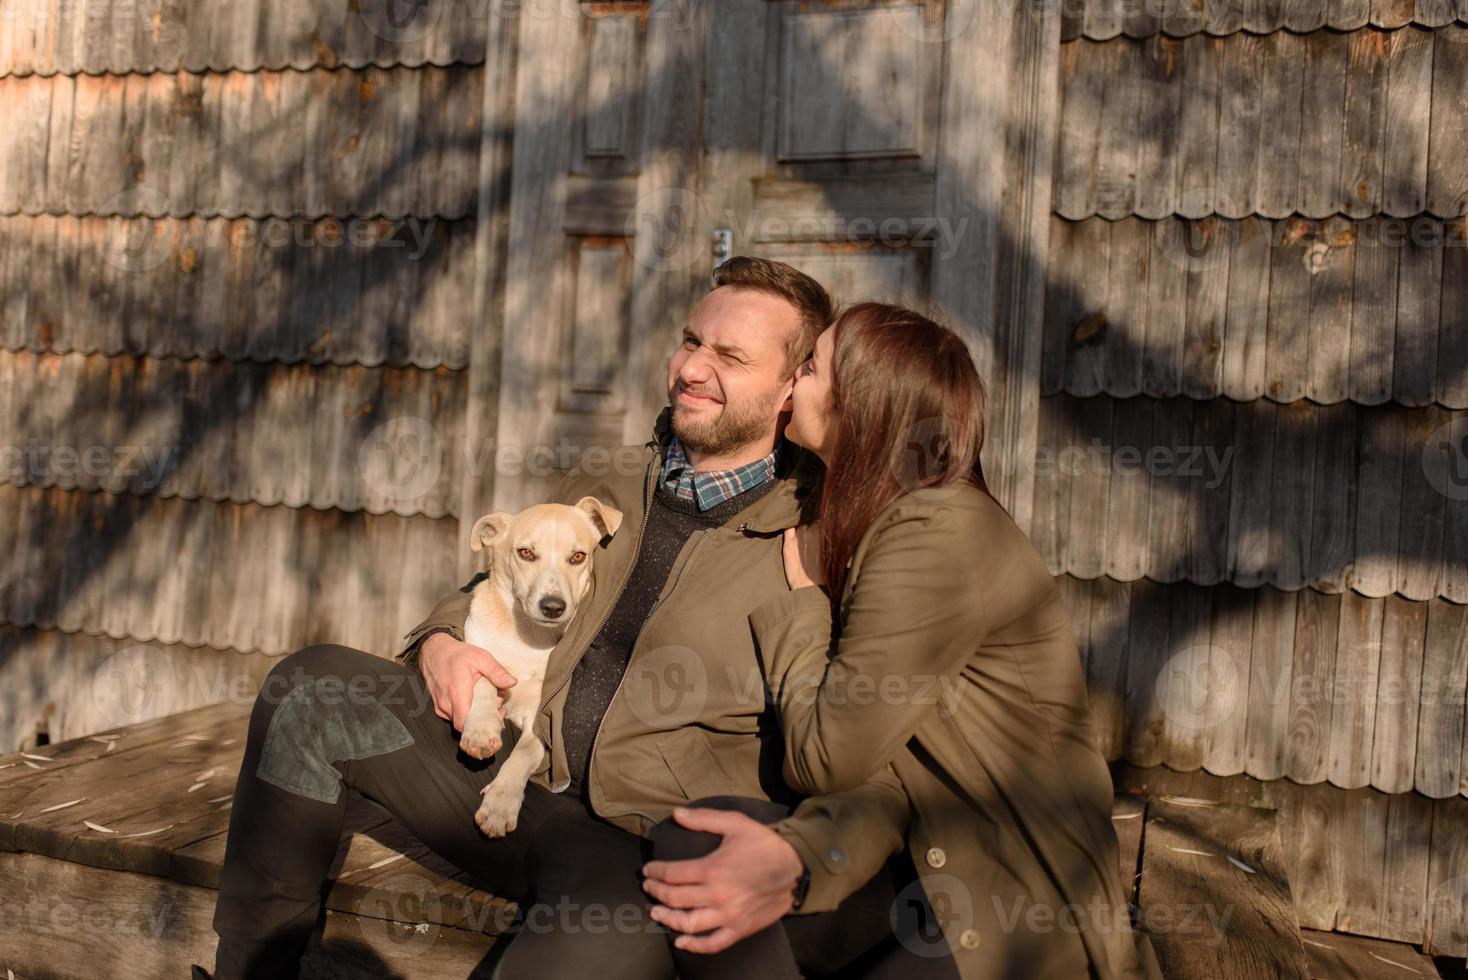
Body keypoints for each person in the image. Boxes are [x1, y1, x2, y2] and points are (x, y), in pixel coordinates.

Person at [204, 259, 931, 979]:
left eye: (730, 356)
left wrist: (801, 860)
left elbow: (878, 759)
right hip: (513, 769)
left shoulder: (823, 534)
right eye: (691, 341)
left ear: (791, 386)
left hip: (643, 846)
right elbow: (502, 578)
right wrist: (442, 642)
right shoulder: (611, 478)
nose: (692, 368)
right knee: (309, 689)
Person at [646, 302, 1164, 979]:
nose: (794, 381)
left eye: (811, 367)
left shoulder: (935, 533)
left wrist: (801, 602)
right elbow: (887, 769)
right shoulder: (881, 517)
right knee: (701, 840)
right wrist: (801, 854)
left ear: (861, 405)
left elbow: (829, 759)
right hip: (912, 849)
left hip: (1007, 896)